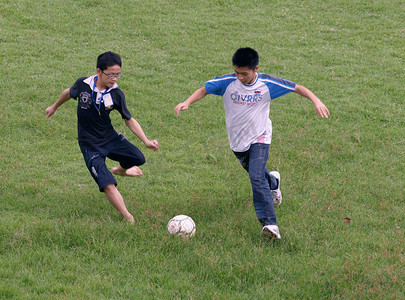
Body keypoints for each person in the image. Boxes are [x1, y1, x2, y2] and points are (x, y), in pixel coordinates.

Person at [175, 47, 329, 239]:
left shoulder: (267, 83)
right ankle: (273, 182)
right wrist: (187, 102)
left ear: (256, 68)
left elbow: (297, 87)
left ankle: (270, 224)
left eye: (244, 74)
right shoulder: (228, 82)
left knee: (255, 177)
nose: (239, 77)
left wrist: (316, 100)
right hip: (237, 142)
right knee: (259, 175)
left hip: (260, 137)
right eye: (237, 72)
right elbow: (204, 90)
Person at [46, 51, 159, 224]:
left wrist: (146, 141)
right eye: (111, 74)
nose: (114, 78)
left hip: (110, 138)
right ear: (99, 71)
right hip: (90, 145)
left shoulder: (116, 94)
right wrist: (54, 107)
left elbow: (128, 119)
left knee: (138, 158)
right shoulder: (83, 84)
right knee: (106, 183)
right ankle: (128, 217)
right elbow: (68, 92)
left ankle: (121, 170)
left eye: (117, 74)